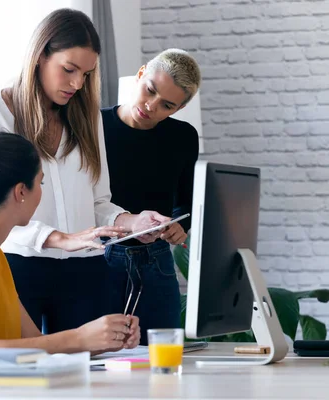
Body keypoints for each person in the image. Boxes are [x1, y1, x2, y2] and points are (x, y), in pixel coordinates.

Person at [0, 8, 167, 335]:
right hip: (16, 267)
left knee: (89, 375)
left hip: (85, 271)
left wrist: (132, 222)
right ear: (39, 56)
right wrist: (60, 239)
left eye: (86, 74)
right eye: (69, 69)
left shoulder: (88, 118)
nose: (77, 83)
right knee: (22, 375)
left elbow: (99, 202)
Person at [0, 130, 140, 360]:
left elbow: (36, 342)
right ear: (21, 191)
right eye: (41, 182)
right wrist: (80, 337)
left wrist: (105, 338)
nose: (41, 192)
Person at [101, 49, 201, 345]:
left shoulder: (183, 137)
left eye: (166, 105)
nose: (151, 106)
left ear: (178, 109)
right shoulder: (93, 126)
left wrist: (180, 225)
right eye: (150, 90)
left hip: (155, 261)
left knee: (163, 361)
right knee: (98, 363)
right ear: (141, 73)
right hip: (97, 258)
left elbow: (188, 202)